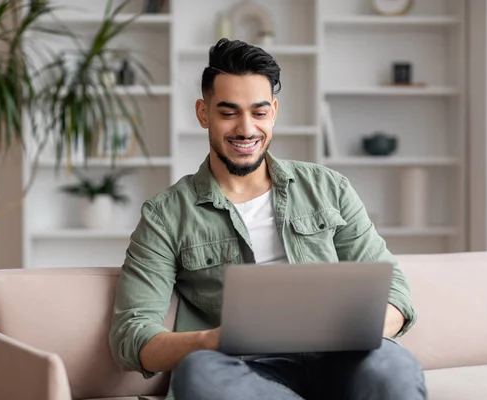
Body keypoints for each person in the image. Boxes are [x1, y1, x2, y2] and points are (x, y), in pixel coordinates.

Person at [109, 38, 427, 400]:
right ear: (203, 113)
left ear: (273, 111)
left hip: (343, 360)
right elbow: (131, 335)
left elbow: (397, 294)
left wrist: (361, 330)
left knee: (392, 366)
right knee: (198, 373)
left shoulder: (329, 187)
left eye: (258, 113)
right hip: (244, 368)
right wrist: (210, 340)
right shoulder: (166, 215)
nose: (246, 129)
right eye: (228, 113)